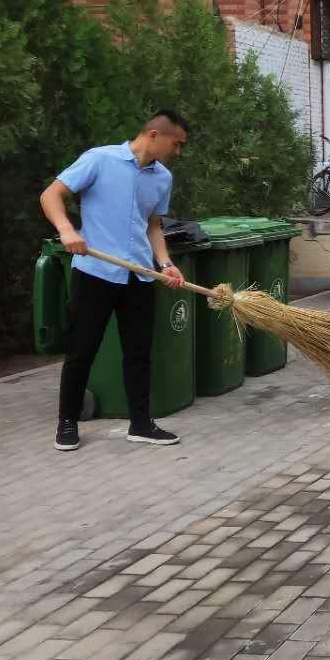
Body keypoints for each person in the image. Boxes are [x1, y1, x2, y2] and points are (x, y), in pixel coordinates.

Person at [41, 111, 191, 451]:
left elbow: (153, 225)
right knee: (82, 350)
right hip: (95, 273)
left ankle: (140, 423)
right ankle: (67, 422)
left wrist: (165, 263)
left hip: (140, 274)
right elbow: (50, 195)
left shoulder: (162, 178)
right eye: (176, 144)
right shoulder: (100, 160)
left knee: (139, 353)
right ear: (155, 134)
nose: (177, 151)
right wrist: (67, 230)